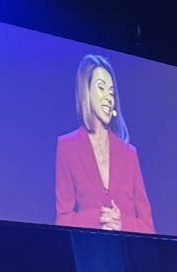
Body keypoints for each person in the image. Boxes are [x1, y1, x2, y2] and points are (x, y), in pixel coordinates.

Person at [55, 54, 155, 233]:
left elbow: (148, 227)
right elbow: (63, 219)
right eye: (101, 88)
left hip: (127, 248)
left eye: (111, 92)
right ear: (86, 91)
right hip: (89, 247)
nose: (109, 98)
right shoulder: (67, 147)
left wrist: (121, 223)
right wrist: (99, 218)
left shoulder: (129, 154)